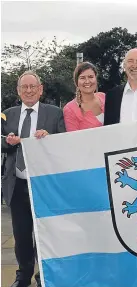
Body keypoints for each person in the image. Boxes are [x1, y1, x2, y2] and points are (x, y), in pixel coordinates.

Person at [1, 71, 66, 287]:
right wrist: (8, 142)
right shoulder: (7, 115)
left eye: (33, 87)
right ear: (18, 91)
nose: (29, 91)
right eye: (24, 87)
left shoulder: (55, 113)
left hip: (43, 185)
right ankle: (23, 275)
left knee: (44, 232)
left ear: (41, 89)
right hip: (17, 185)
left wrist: (48, 139)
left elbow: (63, 143)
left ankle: (43, 275)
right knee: (21, 234)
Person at [63, 62, 105, 131]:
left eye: (91, 77)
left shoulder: (103, 97)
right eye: (82, 78)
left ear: (96, 79)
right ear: (77, 82)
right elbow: (73, 138)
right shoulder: (70, 109)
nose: (87, 81)